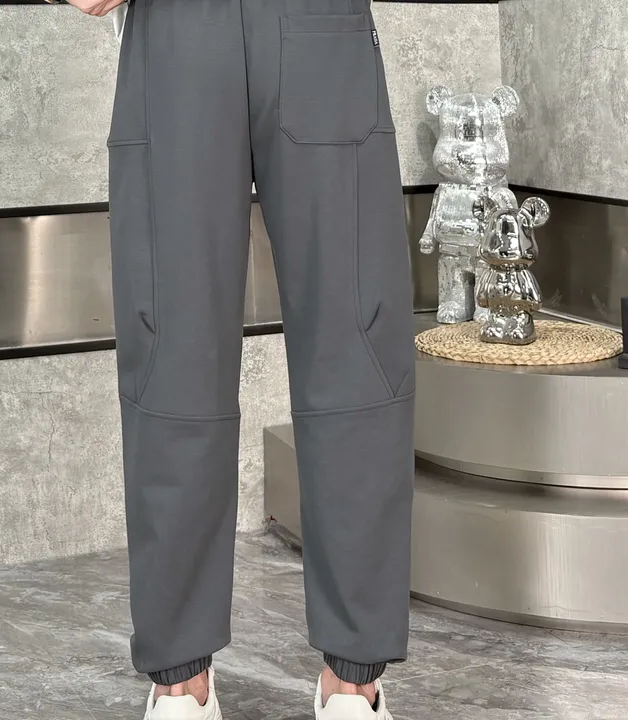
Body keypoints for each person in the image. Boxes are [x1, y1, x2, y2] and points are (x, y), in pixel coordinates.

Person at [53, 0, 415, 717]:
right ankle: (180, 683)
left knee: (357, 345)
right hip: (177, 27)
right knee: (171, 352)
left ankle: (354, 682)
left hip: (318, 23)